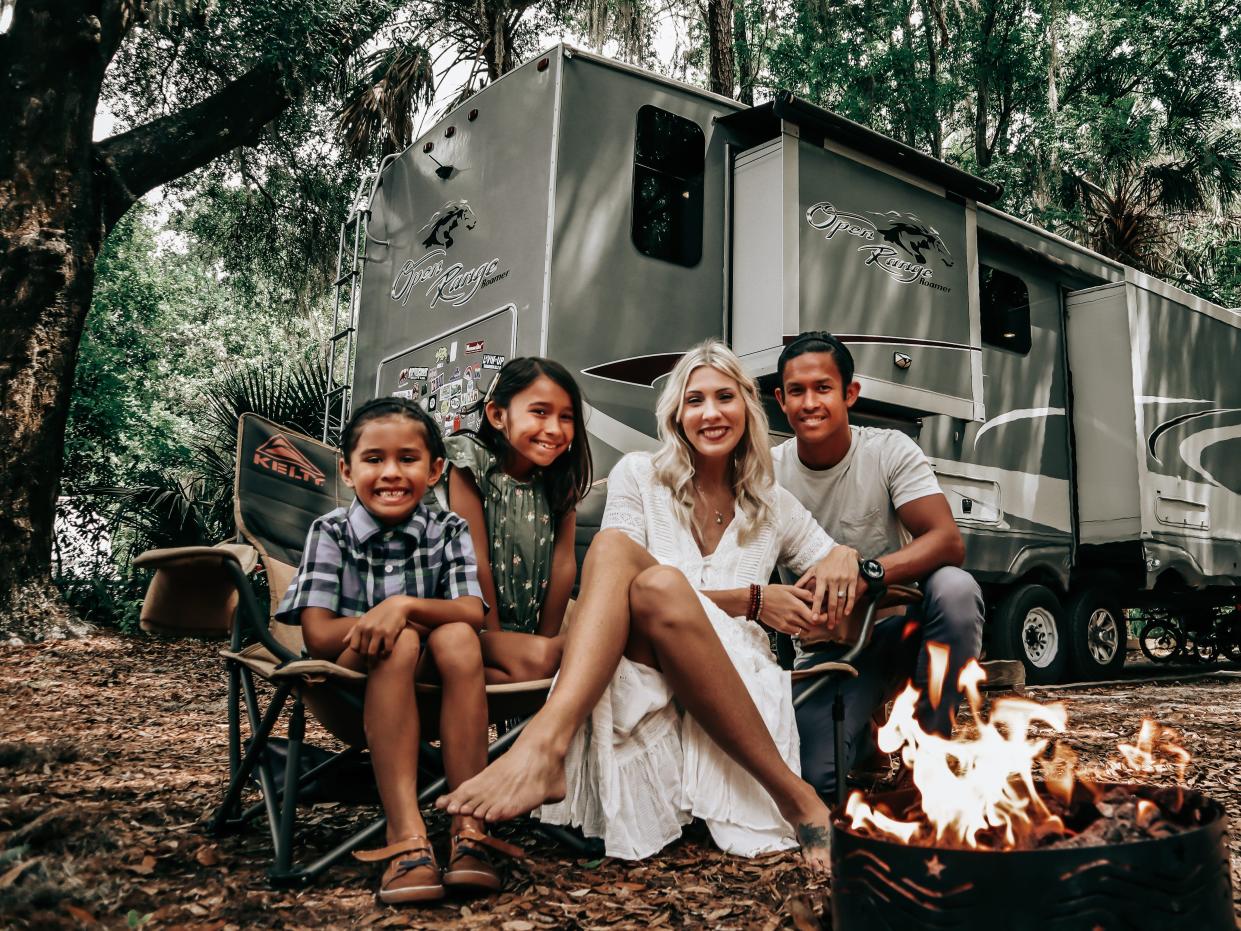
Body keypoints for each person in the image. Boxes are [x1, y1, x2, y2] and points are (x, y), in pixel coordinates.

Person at [439, 340, 860, 869]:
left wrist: (845, 555)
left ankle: (548, 741)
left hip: (736, 674)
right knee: (625, 557)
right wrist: (752, 600)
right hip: (642, 663)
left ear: (747, 407)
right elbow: (610, 589)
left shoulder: (773, 502)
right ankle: (797, 799)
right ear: (677, 416)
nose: (711, 413)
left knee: (655, 585)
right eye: (694, 400)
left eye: (725, 397)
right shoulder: (641, 475)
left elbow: (839, 580)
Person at [276, 397, 520, 905]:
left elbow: (472, 614)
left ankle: (467, 826)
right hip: (347, 689)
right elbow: (319, 636)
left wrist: (403, 606)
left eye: (408, 459)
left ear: (434, 470)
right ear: (346, 470)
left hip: (434, 686)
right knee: (400, 639)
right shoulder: (331, 532)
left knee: (452, 635)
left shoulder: (448, 530)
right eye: (373, 459)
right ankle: (405, 835)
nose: (391, 472)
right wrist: (390, 623)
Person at [771, 331, 985, 800]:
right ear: (780, 400)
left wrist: (868, 574)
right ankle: (868, 739)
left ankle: (926, 760)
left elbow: (947, 540)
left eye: (823, 388)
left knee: (955, 590)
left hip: (903, 632)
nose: (810, 402)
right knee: (818, 781)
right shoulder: (767, 473)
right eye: (797, 391)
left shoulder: (887, 450)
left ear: (849, 393)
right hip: (831, 647)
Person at [436, 358, 591, 683]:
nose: (554, 428)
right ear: (497, 415)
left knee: (565, 656)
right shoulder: (471, 464)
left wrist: (543, 642)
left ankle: (538, 660)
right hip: (468, 629)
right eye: (539, 412)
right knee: (556, 660)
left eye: (567, 417)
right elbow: (474, 558)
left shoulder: (559, 480)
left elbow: (564, 565)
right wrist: (497, 640)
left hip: (527, 636)